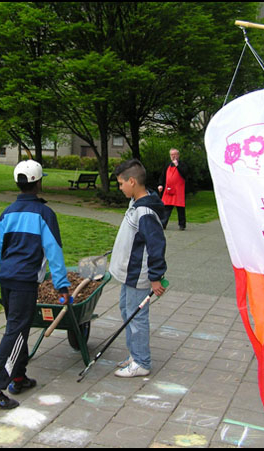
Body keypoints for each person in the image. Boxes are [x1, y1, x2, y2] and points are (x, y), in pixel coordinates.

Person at [0, 160, 71, 409]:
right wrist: (62, 286)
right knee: (16, 331)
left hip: (7, 279)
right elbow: (54, 252)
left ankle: (18, 377)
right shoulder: (45, 214)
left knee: (17, 327)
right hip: (24, 281)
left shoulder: (7, 213)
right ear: (38, 183)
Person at [109, 159, 167, 378]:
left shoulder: (145, 211)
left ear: (132, 181)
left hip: (137, 274)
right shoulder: (136, 202)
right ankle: (134, 355)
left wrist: (156, 277)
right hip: (128, 273)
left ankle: (142, 362)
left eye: (121, 183)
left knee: (136, 316)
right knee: (127, 311)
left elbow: (156, 245)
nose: (120, 187)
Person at [158, 148, 187, 230]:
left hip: (178, 190)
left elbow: (185, 174)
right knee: (166, 207)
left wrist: (177, 166)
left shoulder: (182, 165)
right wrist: (160, 184)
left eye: (175, 154)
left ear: (178, 155)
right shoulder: (167, 165)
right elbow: (163, 175)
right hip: (169, 190)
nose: (173, 156)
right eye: (171, 155)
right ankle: (163, 223)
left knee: (180, 208)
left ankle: (182, 225)